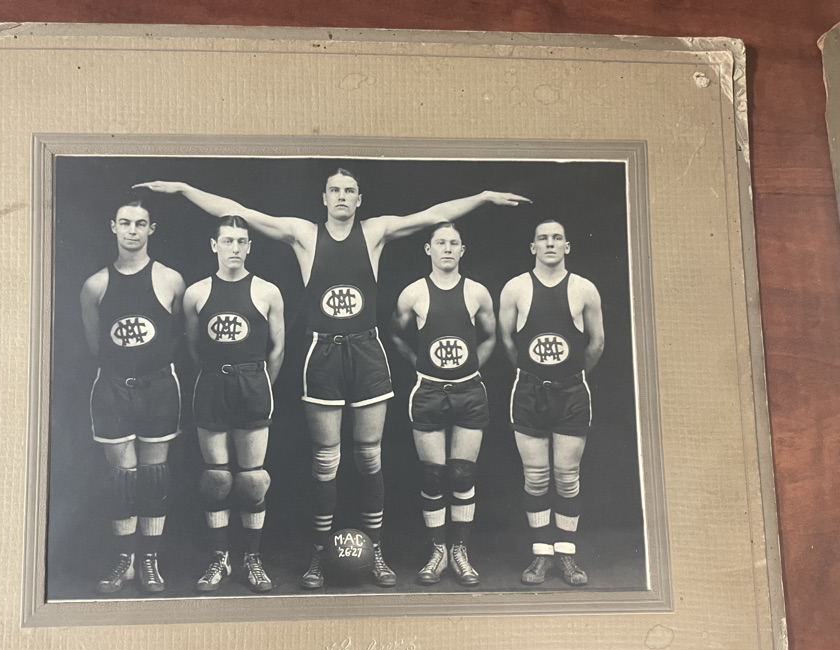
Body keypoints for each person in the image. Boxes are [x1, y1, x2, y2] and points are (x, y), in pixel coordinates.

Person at [136, 170, 528, 589]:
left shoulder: (374, 232)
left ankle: (374, 550)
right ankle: (320, 554)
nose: (342, 197)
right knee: (326, 459)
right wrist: (183, 189)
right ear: (324, 198)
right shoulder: (304, 235)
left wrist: (484, 195)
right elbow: (239, 212)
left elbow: (433, 214)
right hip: (321, 353)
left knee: (369, 456)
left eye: (349, 191)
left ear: (360, 199)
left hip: (366, 351)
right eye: (335, 191)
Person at [80, 193, 185, 594]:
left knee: (154, 476)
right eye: (125, 222)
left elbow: (177, 334)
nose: (132, 231)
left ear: (151, 229)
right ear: (114, 227)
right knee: (121, 478)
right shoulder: (95, 285)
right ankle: (123, 560)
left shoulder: (171, 280)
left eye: (140, 223)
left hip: (159, 387)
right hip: (112, 388)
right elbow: (95, 345)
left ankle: (149, 561)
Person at [497, 220, 605, 586]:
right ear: (533, 247)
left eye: (557, 237)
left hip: (572, 392)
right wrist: (536, 375)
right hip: (528, 392)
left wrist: (567, 376)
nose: (550, 243)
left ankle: (567, 555)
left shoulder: (584, 288)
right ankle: (541, 555)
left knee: (567, 477)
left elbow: (596, 344)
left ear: (567, 246)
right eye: (542, 237)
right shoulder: (515, 288)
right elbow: (508, 343)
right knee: (537, 477)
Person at [182, 215, 285, 593]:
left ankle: (251, 558)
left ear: (250, 247)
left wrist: (257, 384)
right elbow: (193, 347)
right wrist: (216, 376)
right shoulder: (196, 293)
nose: (235, 249)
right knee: (216, 478)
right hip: (210, 383)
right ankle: (220, 558)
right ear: (215, 245)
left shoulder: (267, 291)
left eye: (242, 242)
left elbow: (278, 349)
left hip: (253, 383)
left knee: (253, 479)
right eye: (228, 241)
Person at [390, 222, 496, 587]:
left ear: (462, 250)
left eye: (454, 243)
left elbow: (490, 335)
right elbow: (395, 334)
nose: (447, 249)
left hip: (469, 391)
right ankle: (437, 551)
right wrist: (421, 366)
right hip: (429, 391)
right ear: (428, 250)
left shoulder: (478, 292)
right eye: (441, 243)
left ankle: (459, 552)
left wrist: (468, 370)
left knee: (463, 473)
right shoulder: (413, 294)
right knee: (433, 476)